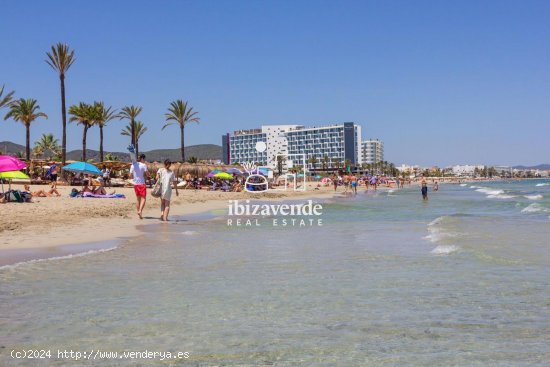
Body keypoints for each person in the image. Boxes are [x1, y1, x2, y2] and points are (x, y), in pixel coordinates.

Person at [130, 153, 150, 219]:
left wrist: (134, 176)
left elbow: (130, 176)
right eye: (144, 159)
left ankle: (139, 214)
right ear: (142, 158)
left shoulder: (133, 165)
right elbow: (147, 174)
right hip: (142, 183)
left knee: (138, 199)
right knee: (143, 198)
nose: (144, 160)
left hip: (135, 184)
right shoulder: (144, 165)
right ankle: (140, 210)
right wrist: (148, 175)